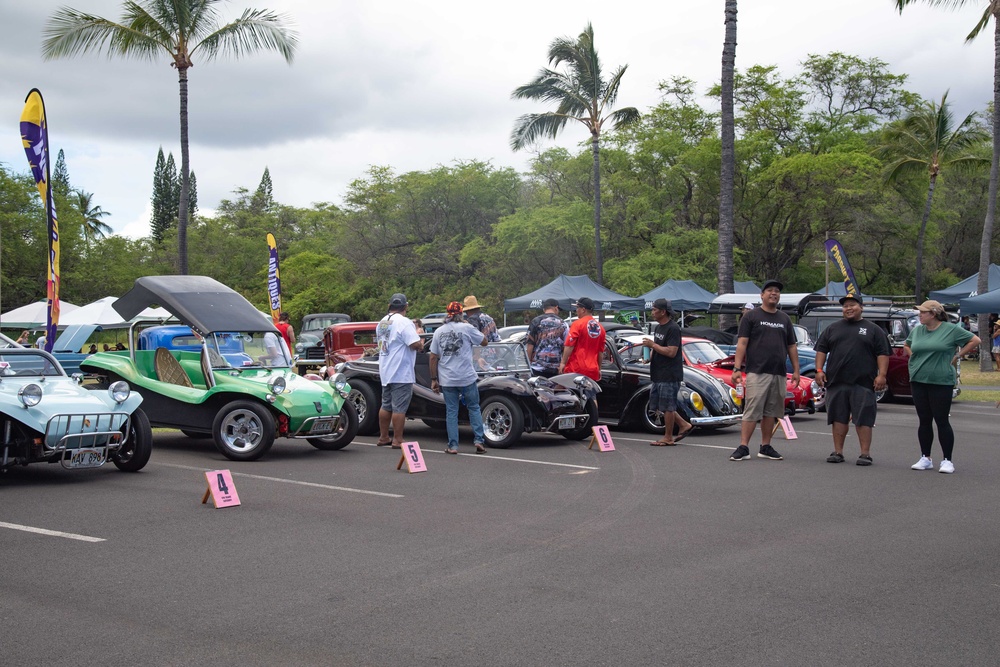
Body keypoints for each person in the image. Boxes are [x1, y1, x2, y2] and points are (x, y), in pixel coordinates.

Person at [813, 295, 891, 466]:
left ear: (861, 307)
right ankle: (838, 452)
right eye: (845, 306)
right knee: (838, 418)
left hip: (863, 382)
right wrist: (819, 370)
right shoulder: (833, 328)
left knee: (864, 419)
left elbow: (883, 353)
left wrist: (882, 375)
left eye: (852, 305)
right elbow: (821, 350)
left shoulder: (873, 329)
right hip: (836, 382)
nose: (848, 308)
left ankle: (865, 454)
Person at [905, 300, 980, 474]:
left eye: (923, 312)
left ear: (933, 313)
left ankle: (947, 460)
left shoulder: (951, 329)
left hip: (941, 380)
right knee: (924, 420)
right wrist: (913, 358)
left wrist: (957, 355)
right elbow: (907, 345)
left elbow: (975, 340)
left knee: (941, 420)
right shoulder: (917, 330)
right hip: (918, 378)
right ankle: (926, 457)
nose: (920, 315)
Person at [729, 280, 799, 462]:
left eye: (777, 291)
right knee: (752, 410)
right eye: (770, 291)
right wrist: (737, 368)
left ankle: (765, 446)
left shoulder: (784, 319)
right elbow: (742, 343)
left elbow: (791, 346)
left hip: (779, 373)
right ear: (762, 295)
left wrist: (797, 371)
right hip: (757, 372)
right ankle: (743, 446)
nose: (773, 294)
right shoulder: (751, 317)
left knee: (771, 411)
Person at [429, 301, 488, 454]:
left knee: (451, 411)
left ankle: (453, 446)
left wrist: (434, 379)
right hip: (467, 376)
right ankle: (479, 441)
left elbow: (433, 357)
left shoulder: (439, 331)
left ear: (447, 314)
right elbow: (484, 342)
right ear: (461, 313)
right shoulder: (467, 328)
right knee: (474, 407)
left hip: (448, 378)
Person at [642, 298, 693, 446]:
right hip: (658, 372)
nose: (652, 312)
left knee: (668, 406)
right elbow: (658, 346)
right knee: (658, 404)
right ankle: (684, 424)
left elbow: (671, 352)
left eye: (654, 310)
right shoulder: (658, 328)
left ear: (663, 312)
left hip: (670, 374)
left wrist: (652, 345)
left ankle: (668, 437)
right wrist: (649, 357)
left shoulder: (673, 328)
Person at [375, 293, 423, 449]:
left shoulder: (382, 322)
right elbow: (414, 344)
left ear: (389, 306)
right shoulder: (404, 322)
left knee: (386, 405)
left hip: (386, 369)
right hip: (401, 371)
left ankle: (383, 437)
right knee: (399, 407)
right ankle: (398, 439)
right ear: (405, 307)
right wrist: (421, 344)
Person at [559, 297, 606, 381]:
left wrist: (563, 363)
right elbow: (600, 352)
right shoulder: (601, 328)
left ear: (583, 310)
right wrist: (599, 369)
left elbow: (569, 346)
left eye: (577, 308)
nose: (576, 310)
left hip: (576, 369)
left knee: (560, 391)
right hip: (592, 370)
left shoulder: (577, 324)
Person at [525, 298, 569, 377]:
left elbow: (530, 344)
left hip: (537, 367)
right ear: (556, 308)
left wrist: (528, 363)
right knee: (554, 389)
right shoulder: (563, 324)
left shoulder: (535, 321)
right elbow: (567, 346)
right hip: (556, 368)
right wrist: (563, 363)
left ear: (544, 309)